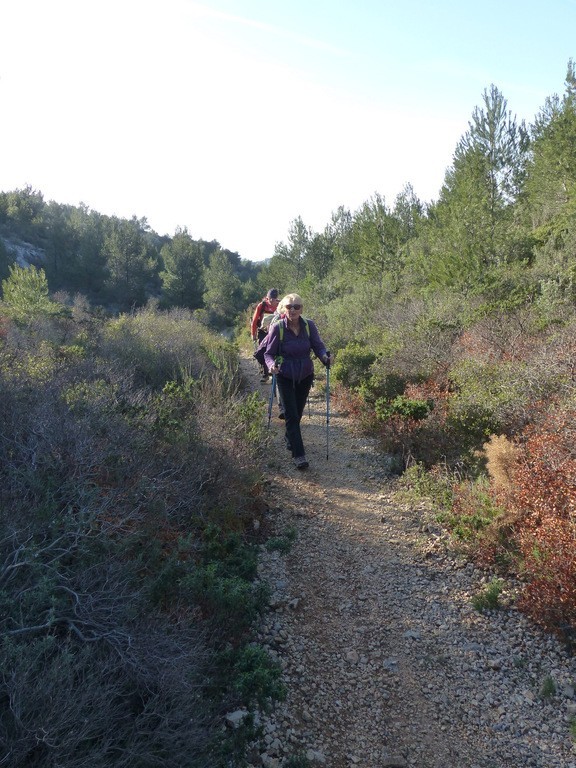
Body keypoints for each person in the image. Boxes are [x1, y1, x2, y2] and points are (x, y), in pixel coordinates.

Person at [264, 294, 330, 470]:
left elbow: (318, 346)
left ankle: (289, 437)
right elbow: (268, 354)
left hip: (305, 375)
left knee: (297, 413)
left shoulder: (309, 326)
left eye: (297, 307)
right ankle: (299, 455)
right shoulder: (278, 328)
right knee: (291, 415)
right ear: (283, 309)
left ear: (302, 309)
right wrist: (271, 366)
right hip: (285, 375)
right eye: (289, 307)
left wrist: (324, 356)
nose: (292, 310)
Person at [251, 289, 280, 382]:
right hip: (263, 332)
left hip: (275, 332)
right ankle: (265, 374)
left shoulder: (280, 305)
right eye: (270, 299)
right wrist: (253, 334)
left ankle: (276, 370)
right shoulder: (262, 305)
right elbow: (255, 320)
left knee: (276, 351)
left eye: (274, 299)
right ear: (268, 298)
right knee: (264, 351)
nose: (272, 301)